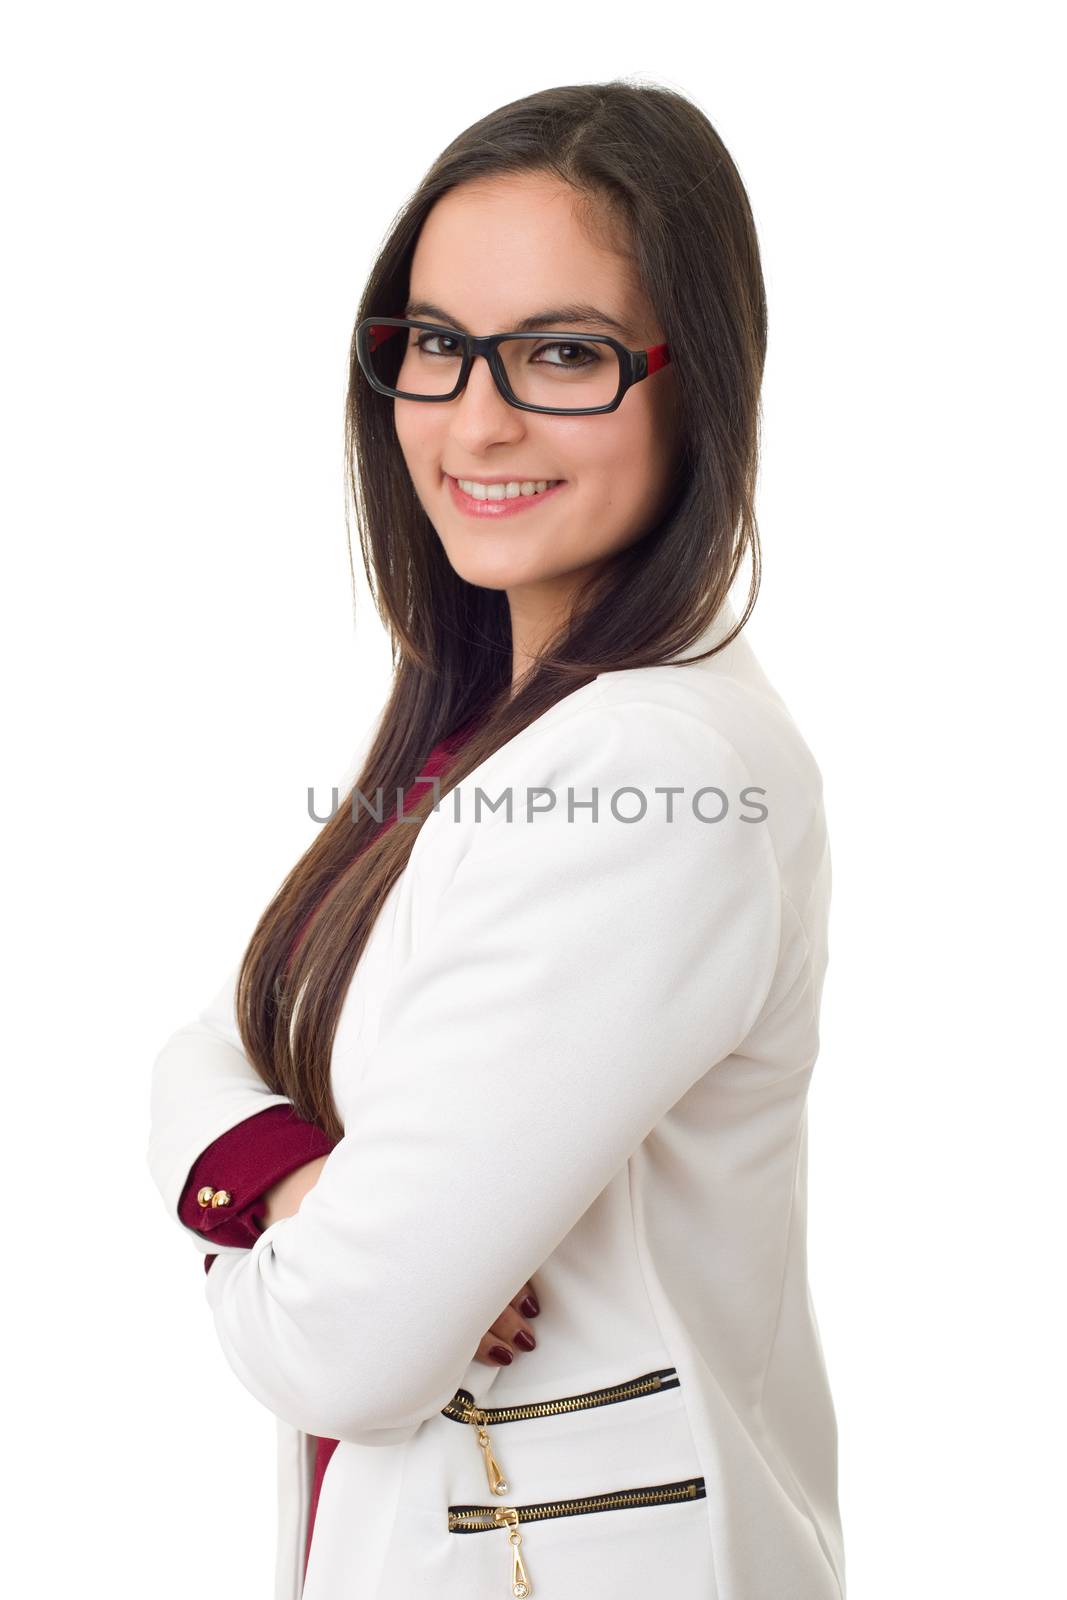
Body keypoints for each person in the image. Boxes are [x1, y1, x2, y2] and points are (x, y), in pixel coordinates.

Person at [147, 78, 846, 1600]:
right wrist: (286, 1180)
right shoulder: (483, 725)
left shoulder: (648, 776)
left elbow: (337, 1345)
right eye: (438, 348)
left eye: (565, 354)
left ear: (698, 382)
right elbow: (211, 1044)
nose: (477, 417)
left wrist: (263, 1211)